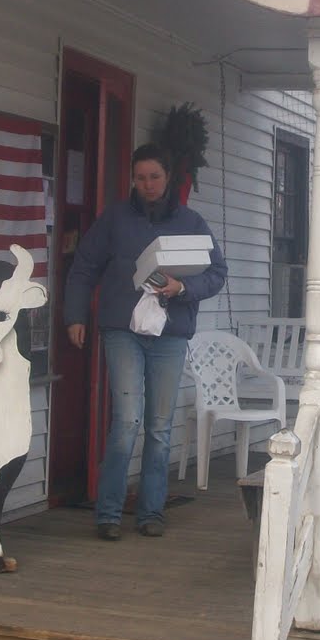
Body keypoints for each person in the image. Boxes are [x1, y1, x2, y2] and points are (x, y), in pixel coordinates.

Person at [63, 144, 228, 540]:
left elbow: (217, 272)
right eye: (140, 178)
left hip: (169, 333)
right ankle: (108, 513)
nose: (148, 184)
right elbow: (84, 265)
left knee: (158, 425)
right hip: (122, 329)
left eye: (154, 177)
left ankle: (152, 511)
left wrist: (182, 287)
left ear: (167, 177)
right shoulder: (117, 219)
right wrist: (74, 315)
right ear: (132, 180)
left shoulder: (191, 221)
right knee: (127, 420)